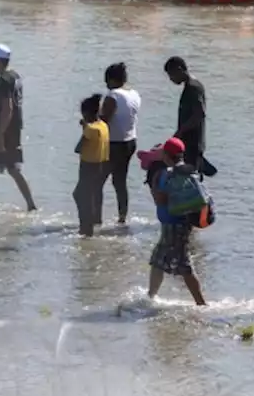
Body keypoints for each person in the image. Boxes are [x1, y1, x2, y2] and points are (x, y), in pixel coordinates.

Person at [143, 137, 206, 305]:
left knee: (184, 266)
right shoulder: (189, 171)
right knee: (158, 260)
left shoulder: (166, 175)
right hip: (183, 223)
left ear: (166, 155)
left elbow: (161, 200)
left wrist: (155, 185)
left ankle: (201, 303)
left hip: (172, 225)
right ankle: (151, 296)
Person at [0, 43, 37, 212]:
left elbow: (7, 108)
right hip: (15, 129)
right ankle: (31, 205)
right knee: (13, 168)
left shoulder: (3, 81)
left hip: (3, 129)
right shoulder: (15, 76)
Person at [99, 62, 141, 224]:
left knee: (97, 181)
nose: (106, 85)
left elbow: (104, 121)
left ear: (111, 79)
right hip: (130, 141)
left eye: (106, 81)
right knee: (120, 182)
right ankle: (122, 218)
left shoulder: (113, 96)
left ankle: (96, 219)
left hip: (113, 144)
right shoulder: (134, 94)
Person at [73, 95, 110, 236]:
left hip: (88, 165)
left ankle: (86, 228)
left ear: (86, 113)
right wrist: (86, 126)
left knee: (80, 195)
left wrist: (85, 128)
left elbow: (78, 148)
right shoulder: (103, 126)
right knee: (91, 194)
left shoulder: (91, 130)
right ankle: (93, 223)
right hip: (101, 164)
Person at [165, 56, 206, 179]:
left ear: (179, 69)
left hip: (193, 143)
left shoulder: (194, 88)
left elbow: (199, 114)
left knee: (191, 178)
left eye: (171, 75)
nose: (171, 79)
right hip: (187, 142)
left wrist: (181, 131)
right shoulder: (189, 86)